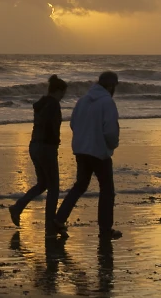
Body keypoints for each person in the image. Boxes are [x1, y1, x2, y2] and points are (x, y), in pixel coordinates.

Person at [53, 71, 122, 240]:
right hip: (99, 153)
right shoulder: (107, 103)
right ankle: (105, 229)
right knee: (107, 190)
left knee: (80, 186)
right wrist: (112, 145)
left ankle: (59, 219)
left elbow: (73, 124)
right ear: (111, 86)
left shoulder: (82, 101)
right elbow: (111, 131)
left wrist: (82, 140)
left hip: (81, 150)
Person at [9, 74, 68, 234]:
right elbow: (50, 126)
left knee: (43, 184)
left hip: (34, 145)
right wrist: (55, 142)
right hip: (46, 148)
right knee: (53, 187)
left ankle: (18, 207)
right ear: (58, 91)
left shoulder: (41, 104)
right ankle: (50, 223)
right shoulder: (53, 104)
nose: (63, 97)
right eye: (63, 93)